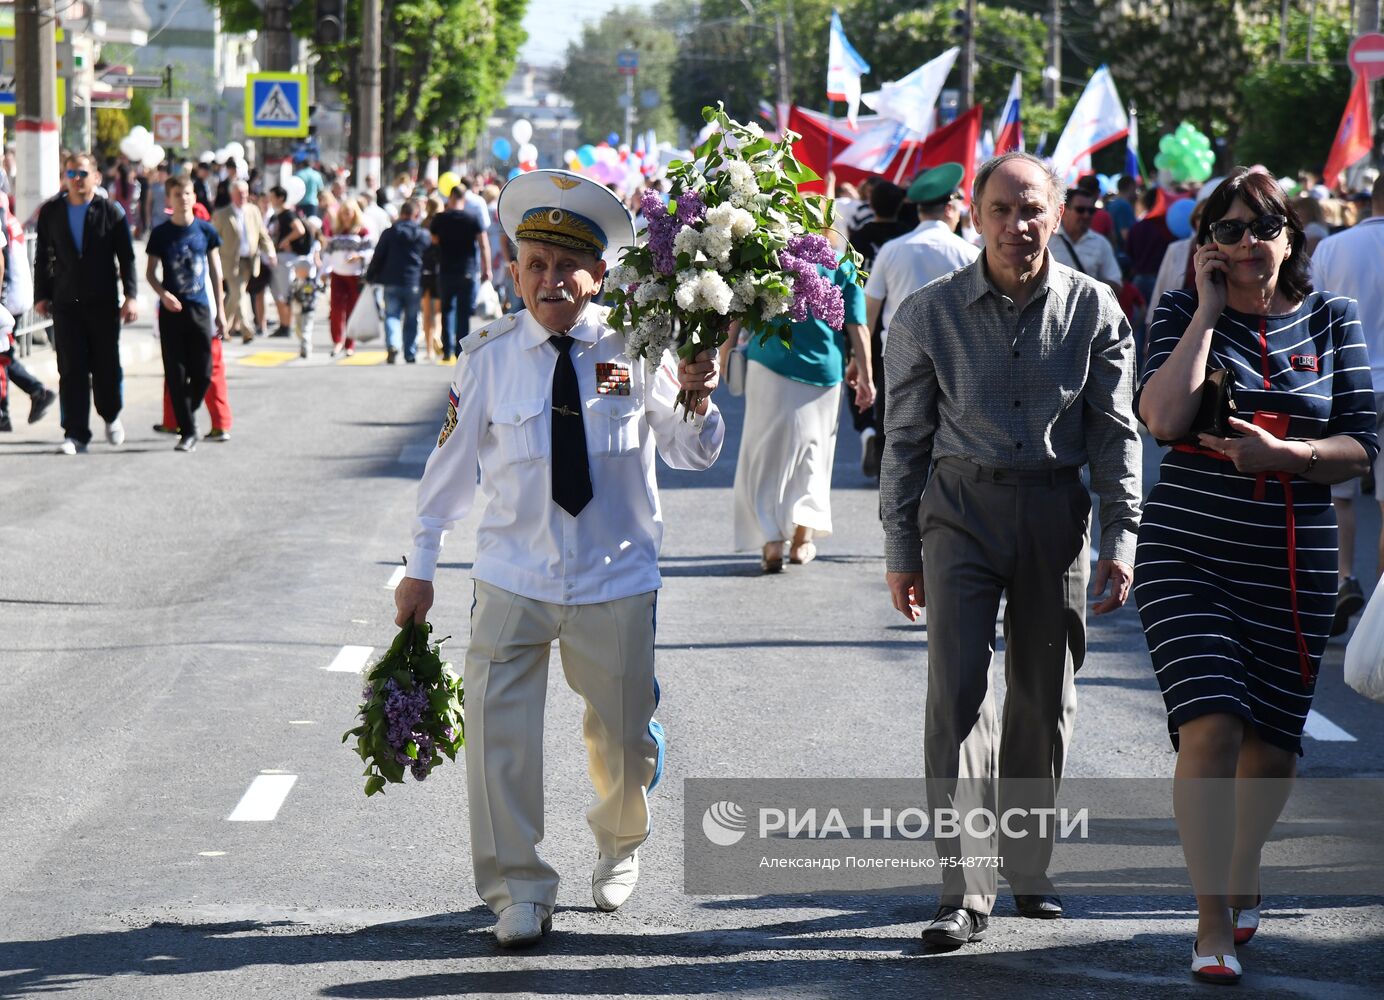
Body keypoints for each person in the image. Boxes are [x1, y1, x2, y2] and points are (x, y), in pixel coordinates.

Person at [391, 169, 723, 949]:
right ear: (512, 272)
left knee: (623, 739)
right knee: (498, 737)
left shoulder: (637, 347)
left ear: (598, 275)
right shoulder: (488, 357)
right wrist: (421, 567)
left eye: (566, 267)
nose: (550, 281)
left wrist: (700, 395)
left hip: (615, 576)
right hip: (512, 576)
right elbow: (446, 472)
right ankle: (518, 889)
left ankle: (618, 842)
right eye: (533, 264)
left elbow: (690, 452)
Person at [881, 150, 1141, 950]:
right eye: (1000, 209)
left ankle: (1028, 864)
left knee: (1042, 697)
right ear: (975, 212)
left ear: (1056, 214)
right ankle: (963, 890)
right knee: (958, 695)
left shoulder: (1095, 309)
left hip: (1055, 513)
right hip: (959, 510)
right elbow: (905, 437)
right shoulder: (928, 313)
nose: (1016, 225)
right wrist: (900, 545)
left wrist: (1121, 535)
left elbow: (1114, 431)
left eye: (1032, 209)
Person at [1135, 168, 1378, 985]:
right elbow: (1163, 419)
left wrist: (1290, 457)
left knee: (1271, 754)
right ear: (1206, 243)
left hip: (1293, 561)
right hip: (1188, 552)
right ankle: (1209, 918)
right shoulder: (1178, 313)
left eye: (1262, 227)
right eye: (1228, 230)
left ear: (1290, 236)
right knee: (1210, 727)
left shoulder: (1334, 318)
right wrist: (1204, 310)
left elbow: (1365, 444)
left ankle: (1240, 867)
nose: (1247, 244)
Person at [725, 229, 872, 571]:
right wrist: (865, 377)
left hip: (768, 364)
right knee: (814, 456)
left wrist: (724, 354)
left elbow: (735, 310)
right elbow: (857, 326)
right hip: (824, 371)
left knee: (764, 453)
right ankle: (802, 541)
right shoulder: (842, 263)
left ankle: (772, 539)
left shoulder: (769, 257)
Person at [863, 163, 980, 479]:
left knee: (898, 445)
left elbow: (869, 312)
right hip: (957, 362)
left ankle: (896, 521)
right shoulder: (970, 254)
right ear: (950, 207)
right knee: (951, 448)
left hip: (899, 359)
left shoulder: (891, 250)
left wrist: (858, 362)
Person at [1311, 171, 1384, 635]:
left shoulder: (1334, 247)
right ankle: (1381, 605)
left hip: (1349, 382)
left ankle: (1342, 579)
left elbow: (1312, 319)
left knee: (1339, 496)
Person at [34, 151, 139, 455]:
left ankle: (111, 414)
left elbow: (127, 258)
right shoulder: (52, 212)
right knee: (71, 368)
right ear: (64, 178)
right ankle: (76, 433)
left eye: (82, 174)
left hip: (103, 301)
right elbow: (43, 256)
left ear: (96, 177)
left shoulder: (110, 211)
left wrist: (131, 295)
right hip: (66, 301)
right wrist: (41, 295)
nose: (77, 180)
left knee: (106, 365)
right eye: (71, 174)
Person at [145, 175, 228, 453]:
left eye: (188, 193)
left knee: (204, 372)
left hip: (200, 308)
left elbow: (216, 272)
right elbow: (150, 273)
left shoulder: (206, 231)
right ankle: (188, 432)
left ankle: (185, 416)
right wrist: (163, 294)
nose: (183, 198)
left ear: (195, 197)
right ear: (169, 198)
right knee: (176, 373)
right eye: (178, 194)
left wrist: (222, 312)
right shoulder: (161, 233)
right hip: (172, 312)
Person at [364, 198, 432, 364]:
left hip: (391, 280)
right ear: (416, 214)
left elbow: (378, 256)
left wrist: (370, 275)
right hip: (414, 281)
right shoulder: (422, 235)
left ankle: (393, 345)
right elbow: (430, 256)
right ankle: (410, 352)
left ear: (402, 213)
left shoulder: (390, 233)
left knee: (392, 315)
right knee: (411, 318)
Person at [431, 185, 493, 360]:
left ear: (450, 198)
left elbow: (434, 241)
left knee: (447, 309)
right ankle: (461, 350)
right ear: (464, 200)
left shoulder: (440, 219)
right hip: (467, 270)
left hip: (446, 270)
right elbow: (484, 245)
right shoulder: (472, 218)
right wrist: (487, 269)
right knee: (464, 312)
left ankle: (447, 350)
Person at [212, 179, 275, 345]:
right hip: (231, 262)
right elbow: (213, 239)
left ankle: (220, 328)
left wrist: (271, 252)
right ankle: (248, 330)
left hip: (249, 261)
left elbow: (262, 235)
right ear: (232, 194)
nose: (243, 196)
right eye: (239, 193)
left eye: (245, 193)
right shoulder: (222, 214)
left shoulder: (253, 211)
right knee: (239, 293)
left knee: (234, 296)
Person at [1046, 186, 1123, 296]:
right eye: (1080, 210)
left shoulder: (1101, 243)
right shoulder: (1047, 239)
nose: (1086, 215)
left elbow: (1115, 283)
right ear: (1064, 211)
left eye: (1091, 211)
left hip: (1086, 310)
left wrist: (1085, 290)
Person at [324, 200, 373, 358]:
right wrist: (323, 271)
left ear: (354, 213)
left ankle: (350, 344)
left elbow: (370, 251)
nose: (346, 216)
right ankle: (337, 341)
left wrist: (358, 256)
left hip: (355, 275)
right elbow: (327, 253)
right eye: (343, 212)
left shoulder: (362, 231)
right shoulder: (335, 230)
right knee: (336, 309)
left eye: (349, 212)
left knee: (352, 310)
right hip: (337, 274)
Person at [268, 185, 312, 338]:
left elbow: (299, 230)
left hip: (286, 258)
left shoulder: (287, 214)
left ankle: (287, 326)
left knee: (285, 293)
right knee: (278, 292)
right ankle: (284, 324)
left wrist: (285, 241)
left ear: (280, 198)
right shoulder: (279, 214)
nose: (270, 200)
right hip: (280, 258)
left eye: (272, 196)